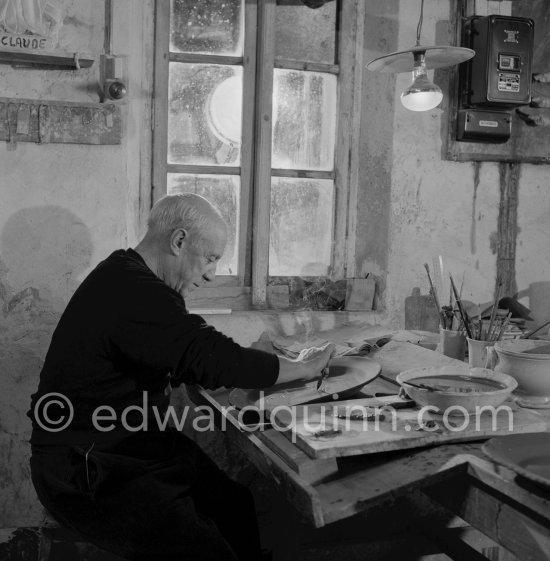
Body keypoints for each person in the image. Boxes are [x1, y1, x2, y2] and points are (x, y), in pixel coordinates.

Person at [28, 193, 333, 561]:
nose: (211, 274)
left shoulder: (125, 274)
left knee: (234, 504)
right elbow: (207, 354)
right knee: (205, 552)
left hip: (131, 446)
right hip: (86, 468)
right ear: (178, 241)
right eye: (210, 258)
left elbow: (181, 350)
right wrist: (304, 367)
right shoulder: (131, 289)